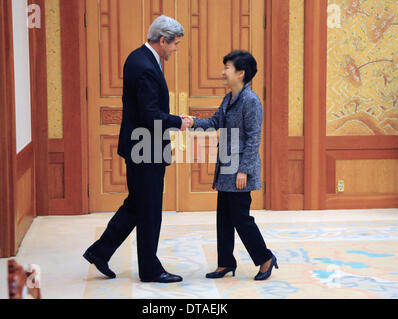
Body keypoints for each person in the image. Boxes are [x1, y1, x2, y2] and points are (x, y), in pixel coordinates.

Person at [83, 15, 192, 283]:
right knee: (150, 209)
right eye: (175, 44)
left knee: (137, 205)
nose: (176, 49)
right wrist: (179, 121)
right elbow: (150, 115)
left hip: (141, 146)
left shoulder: (139, 57)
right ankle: (150, 269)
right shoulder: (144, 65)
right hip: (146, 149)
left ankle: (100, 252)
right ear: (163, 40)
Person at [183, 50, 278, 281]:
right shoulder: (229, 98)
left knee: (241, 219)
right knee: (224, 218)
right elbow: (215, 122)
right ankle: (225, 262)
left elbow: (254, 138)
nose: (222, 72)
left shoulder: (251, 101)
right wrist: (192, 122)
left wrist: (243, 169)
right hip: (226, 167)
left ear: (241, 73)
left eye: (227, 67)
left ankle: (265, 257)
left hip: (240, 170)